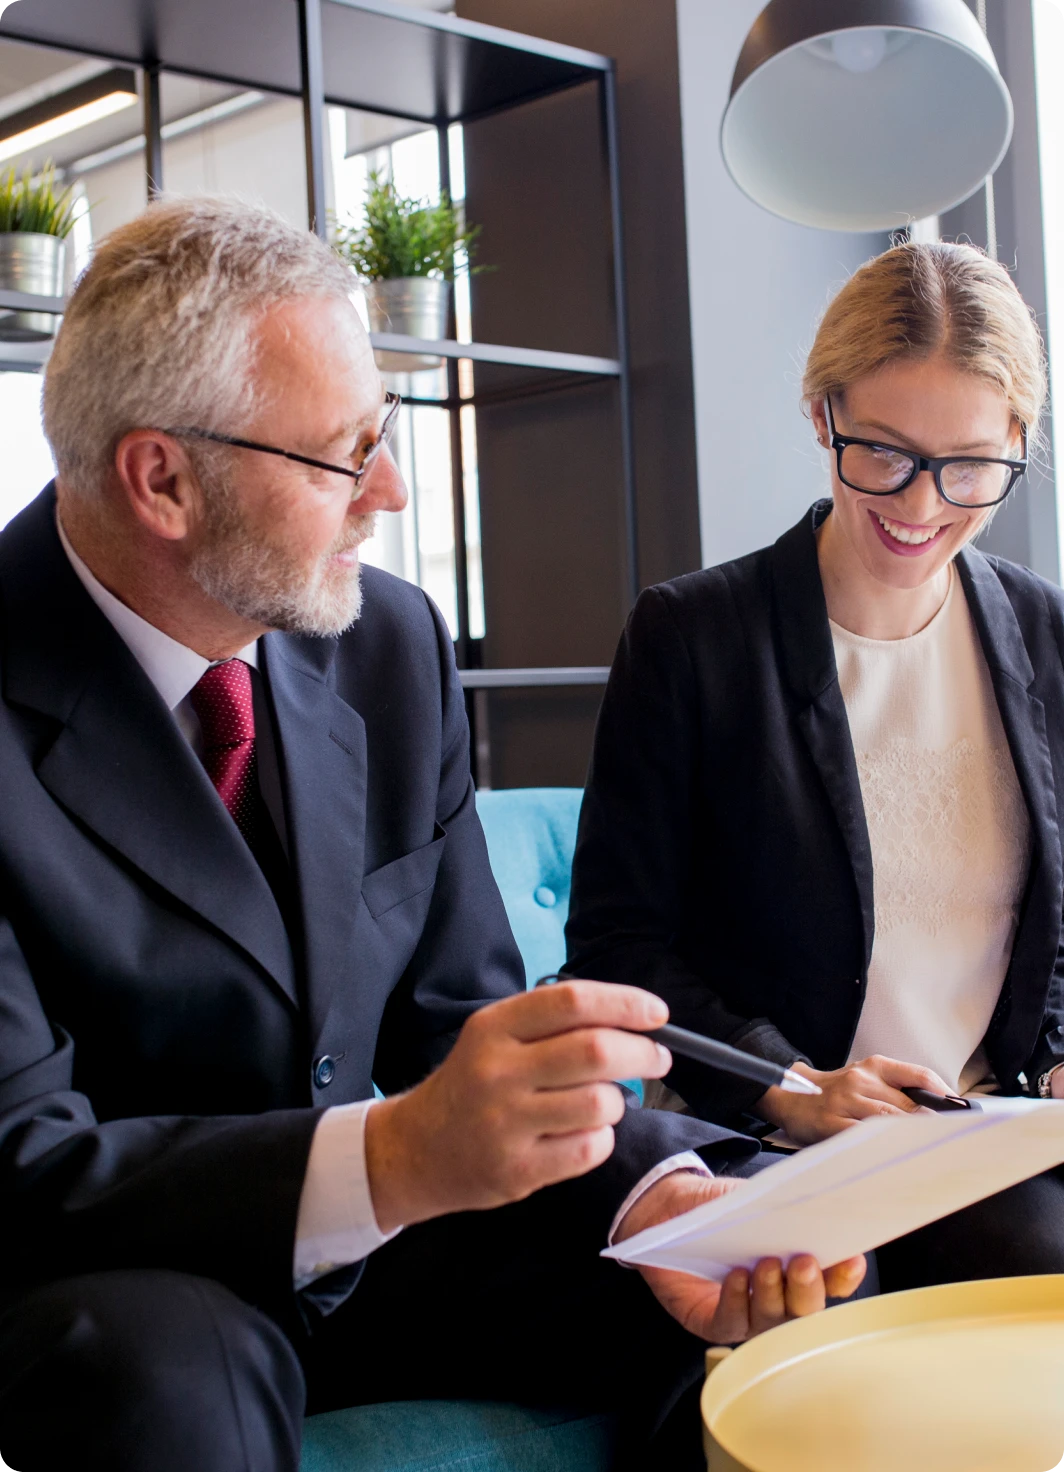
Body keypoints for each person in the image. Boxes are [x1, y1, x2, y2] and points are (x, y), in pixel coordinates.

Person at [0, 198, 862, 1472]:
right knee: (169, 1383)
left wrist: (654, 1193)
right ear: (162, 478)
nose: (390, 492)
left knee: (754, 1257)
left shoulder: (384, 644)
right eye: (346, 454)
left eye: (385, 433)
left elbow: (458, 1022)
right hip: (122, 1277)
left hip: (383, 1248)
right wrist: (395, 1156)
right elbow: (28, 1167)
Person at [567, 240, 1064, 1292]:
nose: (921, 504)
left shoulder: (1043, 632)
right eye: (881, 451)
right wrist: (792, 1084)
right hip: (772, 1142)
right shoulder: (691, 636)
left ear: (1017, 438)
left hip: (977, 1139)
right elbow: (618, 949)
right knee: (828, 1306)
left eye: (969, 463)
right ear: (819, 413)